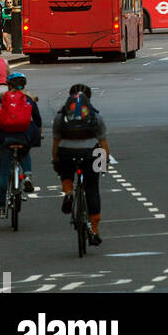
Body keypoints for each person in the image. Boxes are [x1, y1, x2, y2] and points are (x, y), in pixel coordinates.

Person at [53, 83, 110, 247]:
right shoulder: (95, 116)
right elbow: (103, 143)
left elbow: (56, 143)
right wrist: (103, 163)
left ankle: (69, 193)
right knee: (92, 188)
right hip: (91, 153)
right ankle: (94, 230)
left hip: (66, 152)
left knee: (65, 173)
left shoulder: (61, 116)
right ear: (89, 98)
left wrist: (56, 160)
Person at [0, 70, 42, 218]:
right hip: (24, 137)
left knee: (3, 173)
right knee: (25, 152)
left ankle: (0, 208)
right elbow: (37, 120)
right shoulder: (29, 98)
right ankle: (27, 176)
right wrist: (38, 134)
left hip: (5, 138)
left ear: (8, 85)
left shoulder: (1, 99)